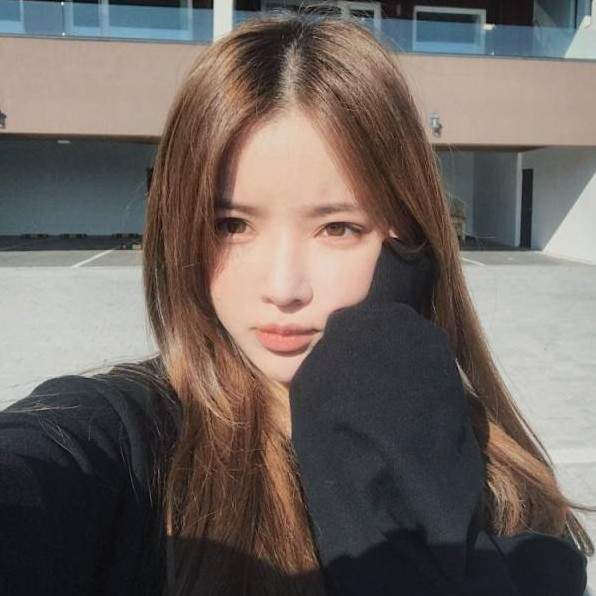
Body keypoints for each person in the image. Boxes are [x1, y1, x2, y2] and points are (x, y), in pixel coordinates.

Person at [0, 11, 593, 596]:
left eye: (338, 228)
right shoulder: (125, 440)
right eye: (231, 225)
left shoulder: (495, 478)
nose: (283, 288)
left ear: (409, 244)